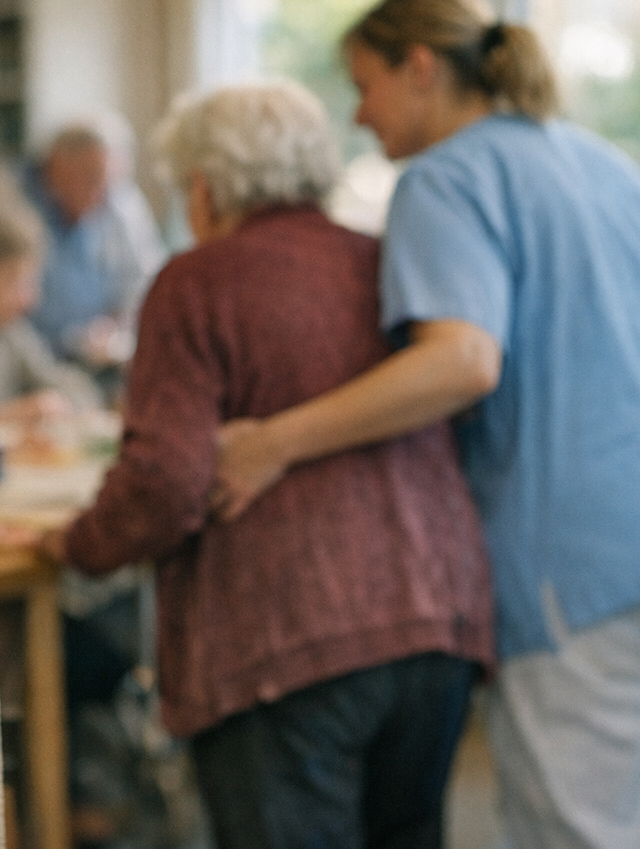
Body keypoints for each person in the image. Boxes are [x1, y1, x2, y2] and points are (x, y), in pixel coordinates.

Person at [214, 0, 640, 849]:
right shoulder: (605, 161)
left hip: (587, 556)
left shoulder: (443, 179)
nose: (359, 115)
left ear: (420, 68)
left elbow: (462, 362)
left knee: (583, 832)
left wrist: (272, 443)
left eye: (364, 86)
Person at [34, 81, 494, 848]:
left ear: (205, 186)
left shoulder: (195, 282)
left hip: (287, 638)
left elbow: (166, 481)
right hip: (434, 622)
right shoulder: (384, 259)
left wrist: (77, 543)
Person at [21, 113, 166, 375]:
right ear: (56, 166)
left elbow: (143, 280)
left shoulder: (120, 201)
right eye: (93, 178)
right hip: (32, 363)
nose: (105, 196)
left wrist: (115, 325)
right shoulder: (15, 202)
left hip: (98, 358)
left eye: (113, 183)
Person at [0, 170, 102, 426]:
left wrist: (60, 403)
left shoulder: (11, 334)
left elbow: (68, 385)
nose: (30, 299)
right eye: (15, 281)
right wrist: (7, 415)